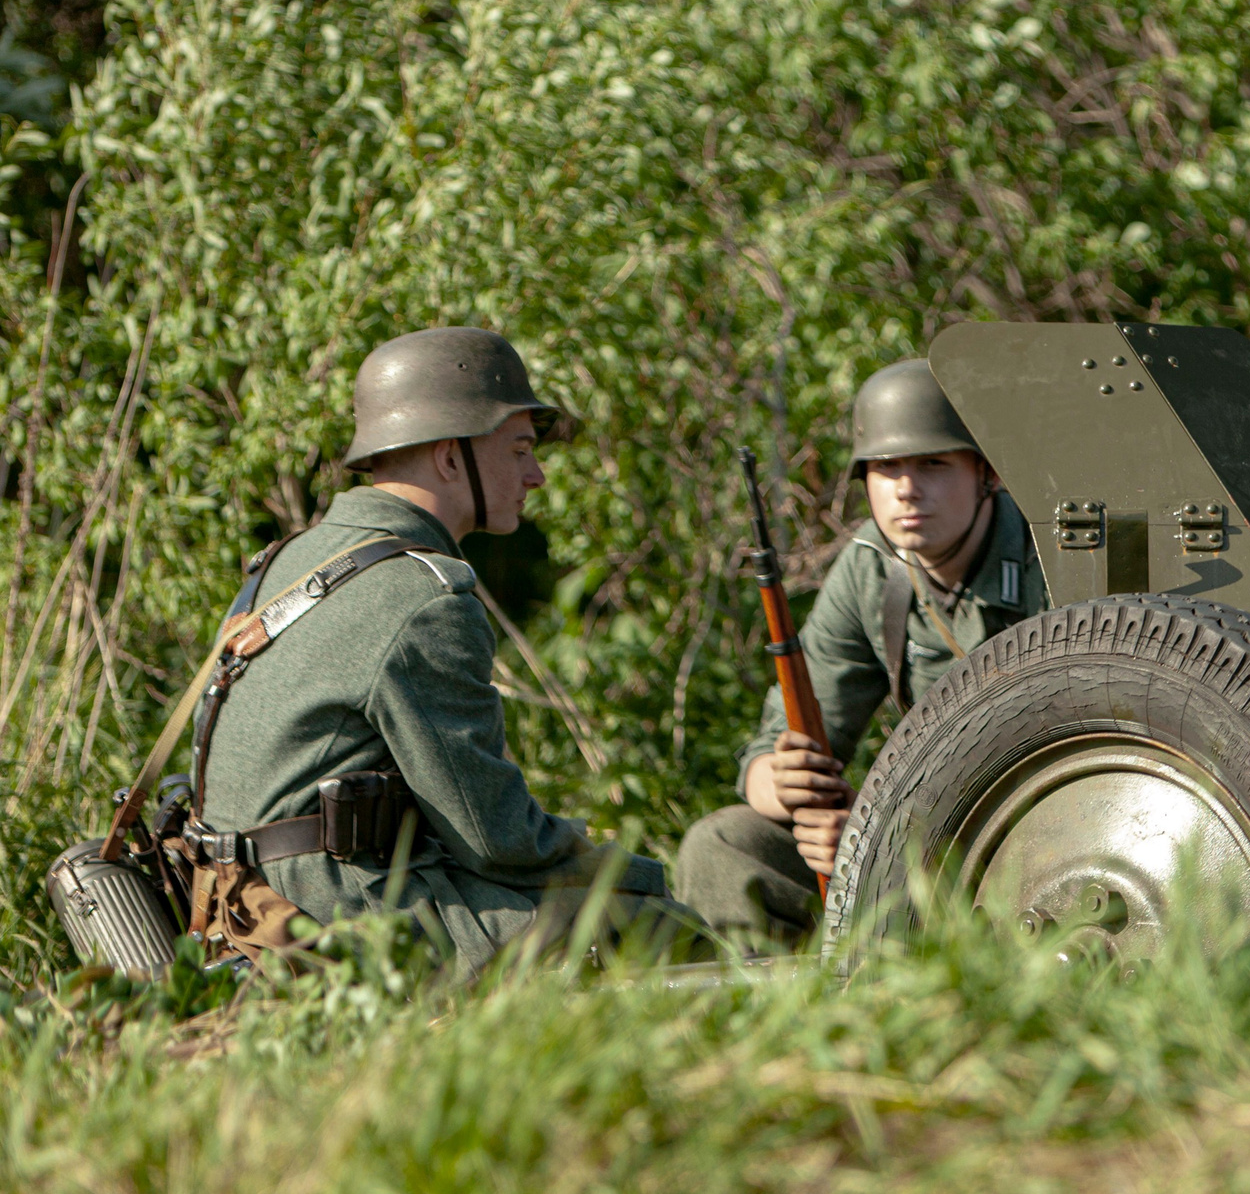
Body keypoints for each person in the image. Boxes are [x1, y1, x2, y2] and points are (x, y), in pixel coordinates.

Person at [191, 327, 699, 971]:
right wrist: (604, 854)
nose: (536, 474)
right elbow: (493, 838)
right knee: (655, 920)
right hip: (342, 913)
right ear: (450, 458)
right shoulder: (424, 595)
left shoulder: (286, 561)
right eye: (518, 449)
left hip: (238, 905)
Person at [673, 359, 1047, 942]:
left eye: (933, 464)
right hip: (924, 838)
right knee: (724, 845)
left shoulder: (1050, 562)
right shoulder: (872, 568)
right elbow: (788, 736)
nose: (905, 488)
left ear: (987, 472)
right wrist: (781, 781)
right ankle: (771, 1024)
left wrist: (883, 833)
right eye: (885, 466)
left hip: (1050, 829)